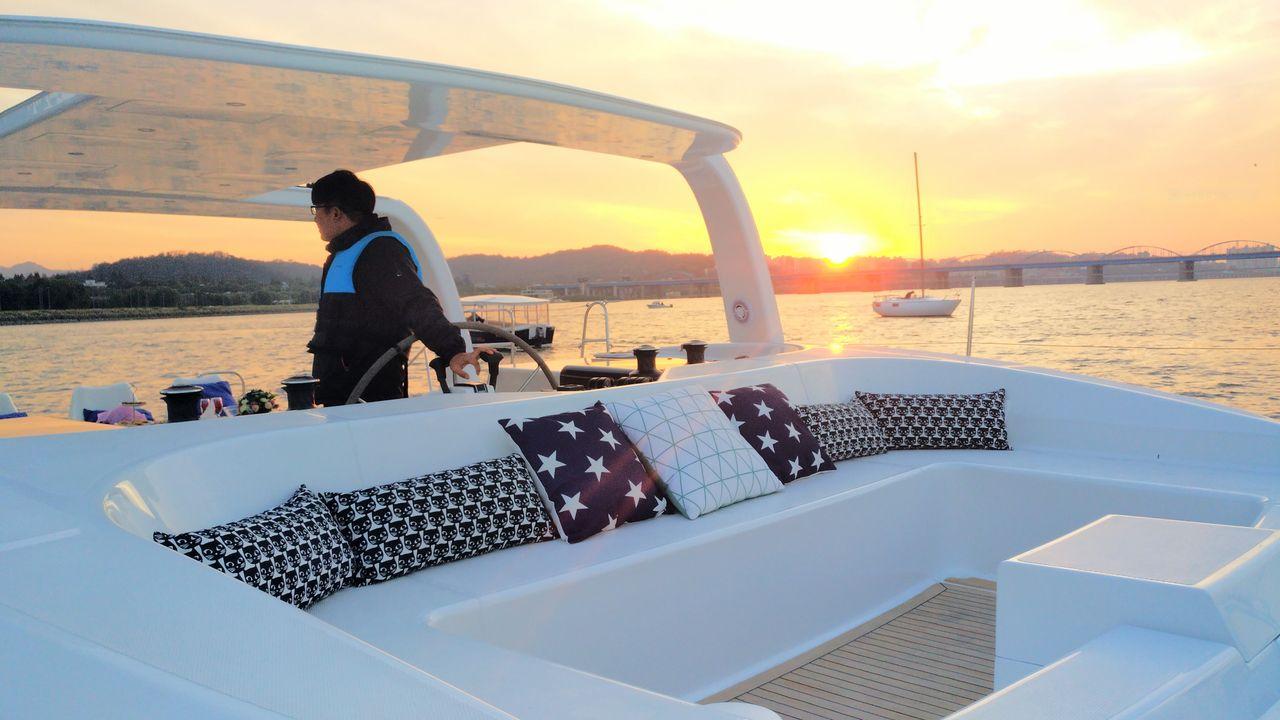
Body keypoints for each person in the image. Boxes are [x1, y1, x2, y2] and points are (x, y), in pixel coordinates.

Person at [307, 169, 491, 406]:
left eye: (316, 210)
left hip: (371, 394)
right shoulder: (341, 254)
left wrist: (453, 351)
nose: (314, 219)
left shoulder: (381, 251)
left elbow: (416, 303)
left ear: (335, 213)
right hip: (338, 392)